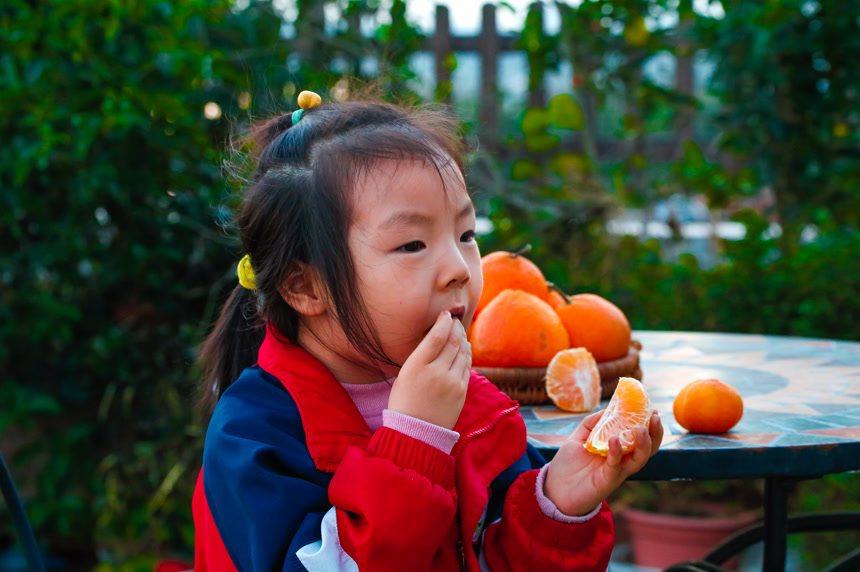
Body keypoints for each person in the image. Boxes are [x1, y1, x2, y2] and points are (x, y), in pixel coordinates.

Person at [192, 90, 664, 572]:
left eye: (466, 234)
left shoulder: (475, 406)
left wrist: (557, 504)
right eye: (413, 244)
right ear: (306, 287)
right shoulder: (256, 433)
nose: (459, 268)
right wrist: (414, 443)